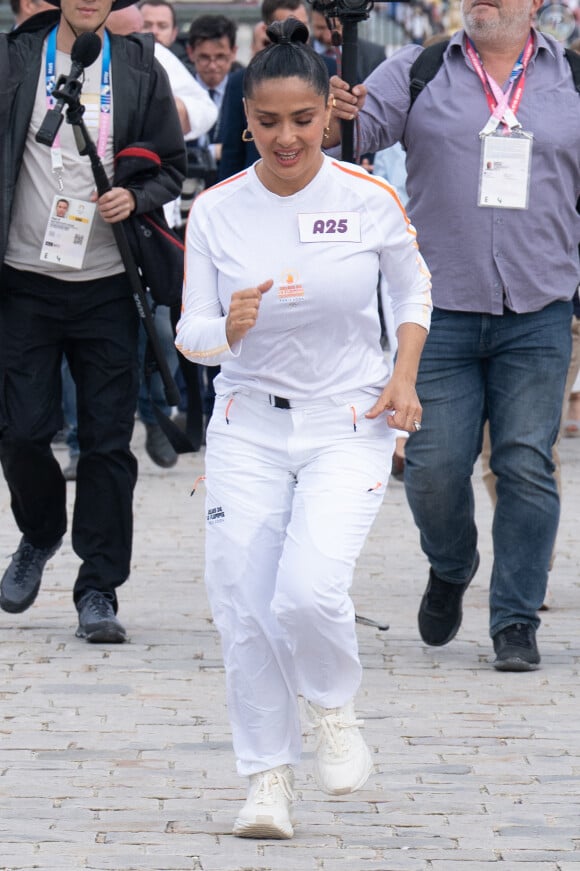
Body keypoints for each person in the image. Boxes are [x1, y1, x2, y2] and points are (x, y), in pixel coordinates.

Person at [175, 17, 432, 839]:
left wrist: (403, 377)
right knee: (244, 606)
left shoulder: (368, 198)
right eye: (267, 122)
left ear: (328, 112)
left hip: (347, 421)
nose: (285, 138)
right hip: (248, 425)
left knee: (308, 590)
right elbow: (191, 332)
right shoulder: (217, 211)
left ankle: (331, 704)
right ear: (244, 120)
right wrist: (230, 330)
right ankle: (267, 780)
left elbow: (414, 291)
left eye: (302, 120)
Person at [329, 0, 580, 671]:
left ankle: (515, 621)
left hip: (541, 306)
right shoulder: (417, 69)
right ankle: (452, 562)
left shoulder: (573, 79)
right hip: (436, 309)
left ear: (536, 5)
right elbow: (347, 141)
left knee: (525, 461)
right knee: (434, 468)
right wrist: (335, 108)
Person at [0, 0, 185, 641]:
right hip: (25, 279)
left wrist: (135, 196)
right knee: (21, 432)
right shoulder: (15, 57)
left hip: (109, 284)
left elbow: (171, 168)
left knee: (108, 444)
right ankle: (41, 530)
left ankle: (98, 588)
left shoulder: (140, 65)